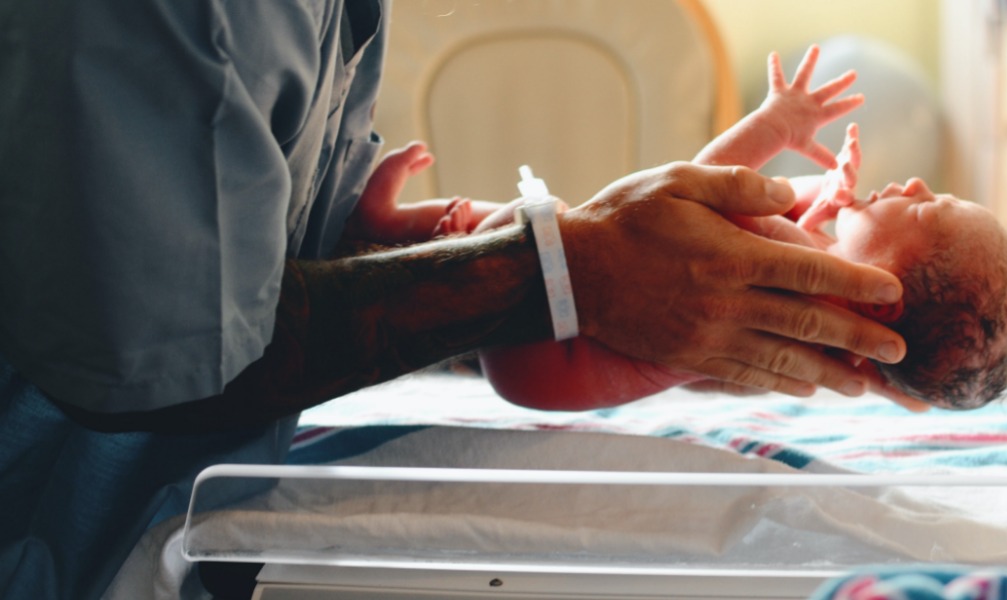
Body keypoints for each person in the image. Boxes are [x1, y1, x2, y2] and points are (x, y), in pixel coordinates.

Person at [0, 5, 909, 598]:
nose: (905, 189)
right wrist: (559, 265)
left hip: (537, 348)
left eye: (924, 214)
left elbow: (210, 253)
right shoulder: (165, 21)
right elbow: (169, 355)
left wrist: (347, 238)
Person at [357, 51, 1007, 412]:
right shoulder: (815, 311)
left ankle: (387, 230)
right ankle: (396, 231)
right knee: (515, 225)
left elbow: (693, 200)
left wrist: (778, 126)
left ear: (882, 300)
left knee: (521, 224)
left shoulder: (793, 277)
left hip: (551, 348)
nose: (912, 185)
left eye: (925, 209)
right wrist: (829, 207)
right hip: (548, 368)